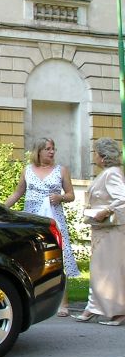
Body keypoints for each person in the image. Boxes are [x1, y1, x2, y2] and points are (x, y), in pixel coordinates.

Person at [4, 137, 79, 316]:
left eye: (53, 148)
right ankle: (34, 300)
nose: (51, 152)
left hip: (54, 218)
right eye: (48, 149)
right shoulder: (27, 170)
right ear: (38, 151)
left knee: (59, 255)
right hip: (33, 218)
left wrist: (60, 197)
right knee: (33, 256)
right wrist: (1, 209)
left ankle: (63, 303)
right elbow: (17, 193)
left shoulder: (61, 170)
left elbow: (71, 195)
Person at [73, 138, 125, 326]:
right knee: (100, 271)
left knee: (110, 272)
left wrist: (106, 210)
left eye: (95, 153)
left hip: (112, 232)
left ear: (103, 156)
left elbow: (122, 198)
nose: (93, 156)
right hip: (102, 231)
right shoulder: (107, 173)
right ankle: (93, 308)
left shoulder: (112, 174)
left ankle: (118, 312)